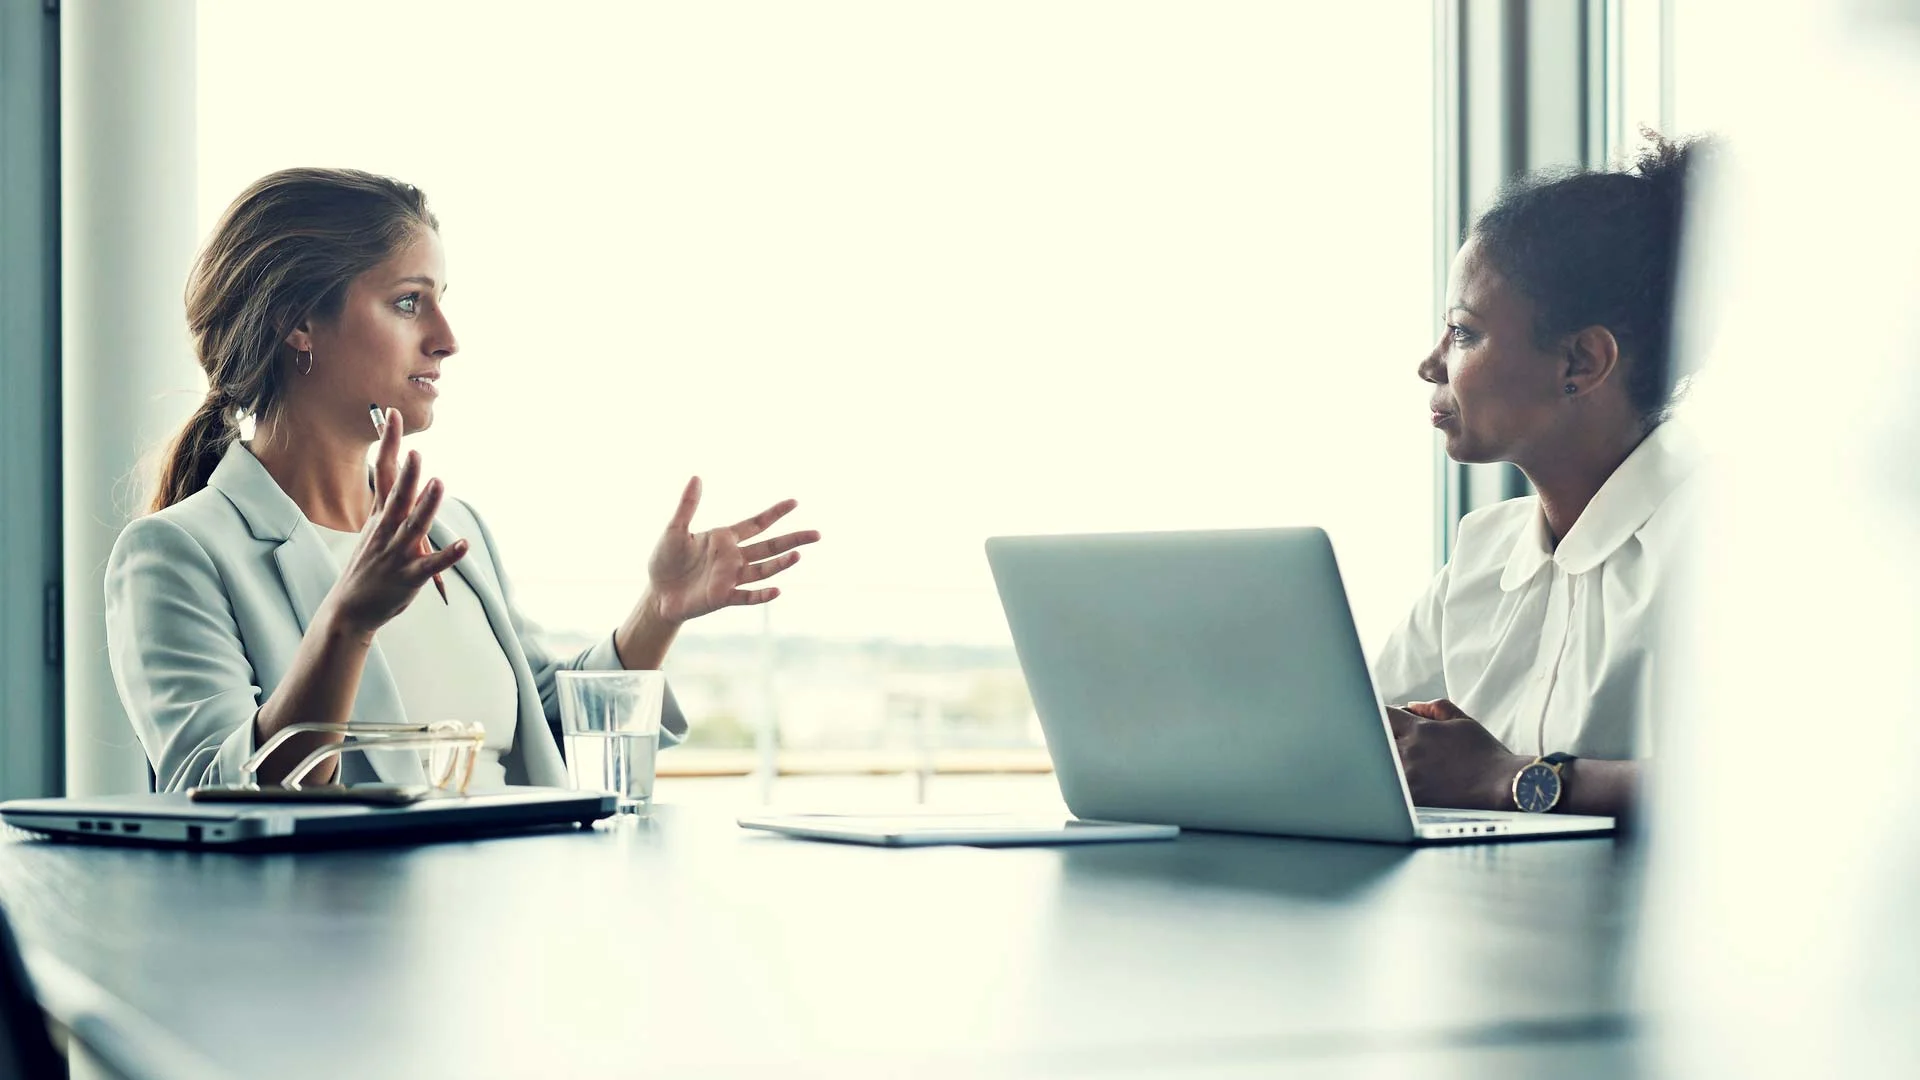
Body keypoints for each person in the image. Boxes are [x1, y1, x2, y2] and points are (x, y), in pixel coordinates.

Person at [106, 167, 820, 793]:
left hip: (520, 895)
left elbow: (548, 728)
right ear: (299, 322)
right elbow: (211, 795)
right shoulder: (177, 554)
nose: (447, 339)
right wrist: (348, 623)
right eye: (409, 302)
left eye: (440, 299)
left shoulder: (456, 528)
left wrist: (658, 611)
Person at [1374, 137, 1708, 820]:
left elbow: (1800, 783)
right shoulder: (1483, 552)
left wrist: (1510, 779)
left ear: (1581, 362)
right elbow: (1360, 738)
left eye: (1463, 333)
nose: (1431, 365)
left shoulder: (1728, 537)